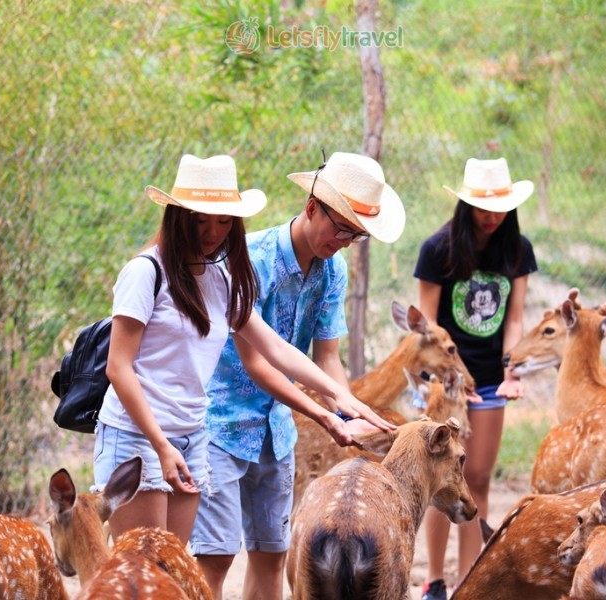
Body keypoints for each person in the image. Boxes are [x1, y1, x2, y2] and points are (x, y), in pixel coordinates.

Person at [94, 153, 392, 548]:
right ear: (177, 216)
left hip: (189, 436)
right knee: (141, 570)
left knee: (171, 571)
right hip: (138, 435)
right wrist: (161, 445)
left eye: (223, 220)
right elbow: (118, 368)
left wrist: (342, 400)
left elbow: (276, 349)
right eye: (200, 219)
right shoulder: (146, 272)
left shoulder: (220, 277)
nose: (212, 231)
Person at [191, 151, 406, 600]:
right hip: (221, 427)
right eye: (341, 228)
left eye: (357, 234)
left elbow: (328, 356)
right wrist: (326, 416)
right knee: (215, 559)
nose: (345, 241)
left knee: (272, 556)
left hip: (275, 430)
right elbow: (258, 362)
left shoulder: (334, 271)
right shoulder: (254, 260)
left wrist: (347, 414)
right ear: (312, 207)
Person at [414, 157, 537, 600]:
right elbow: (427, 325)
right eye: (484, 207)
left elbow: (515, 319)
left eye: (500, 206)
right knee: (440, 481)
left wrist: (512, 369)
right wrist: (436, 381)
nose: (492, 216)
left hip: (488, 381)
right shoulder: (438, 250)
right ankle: (434, 581)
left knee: (478, 479)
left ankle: (468, 583)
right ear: (466, 205)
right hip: (446, 383)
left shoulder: (517, 250)